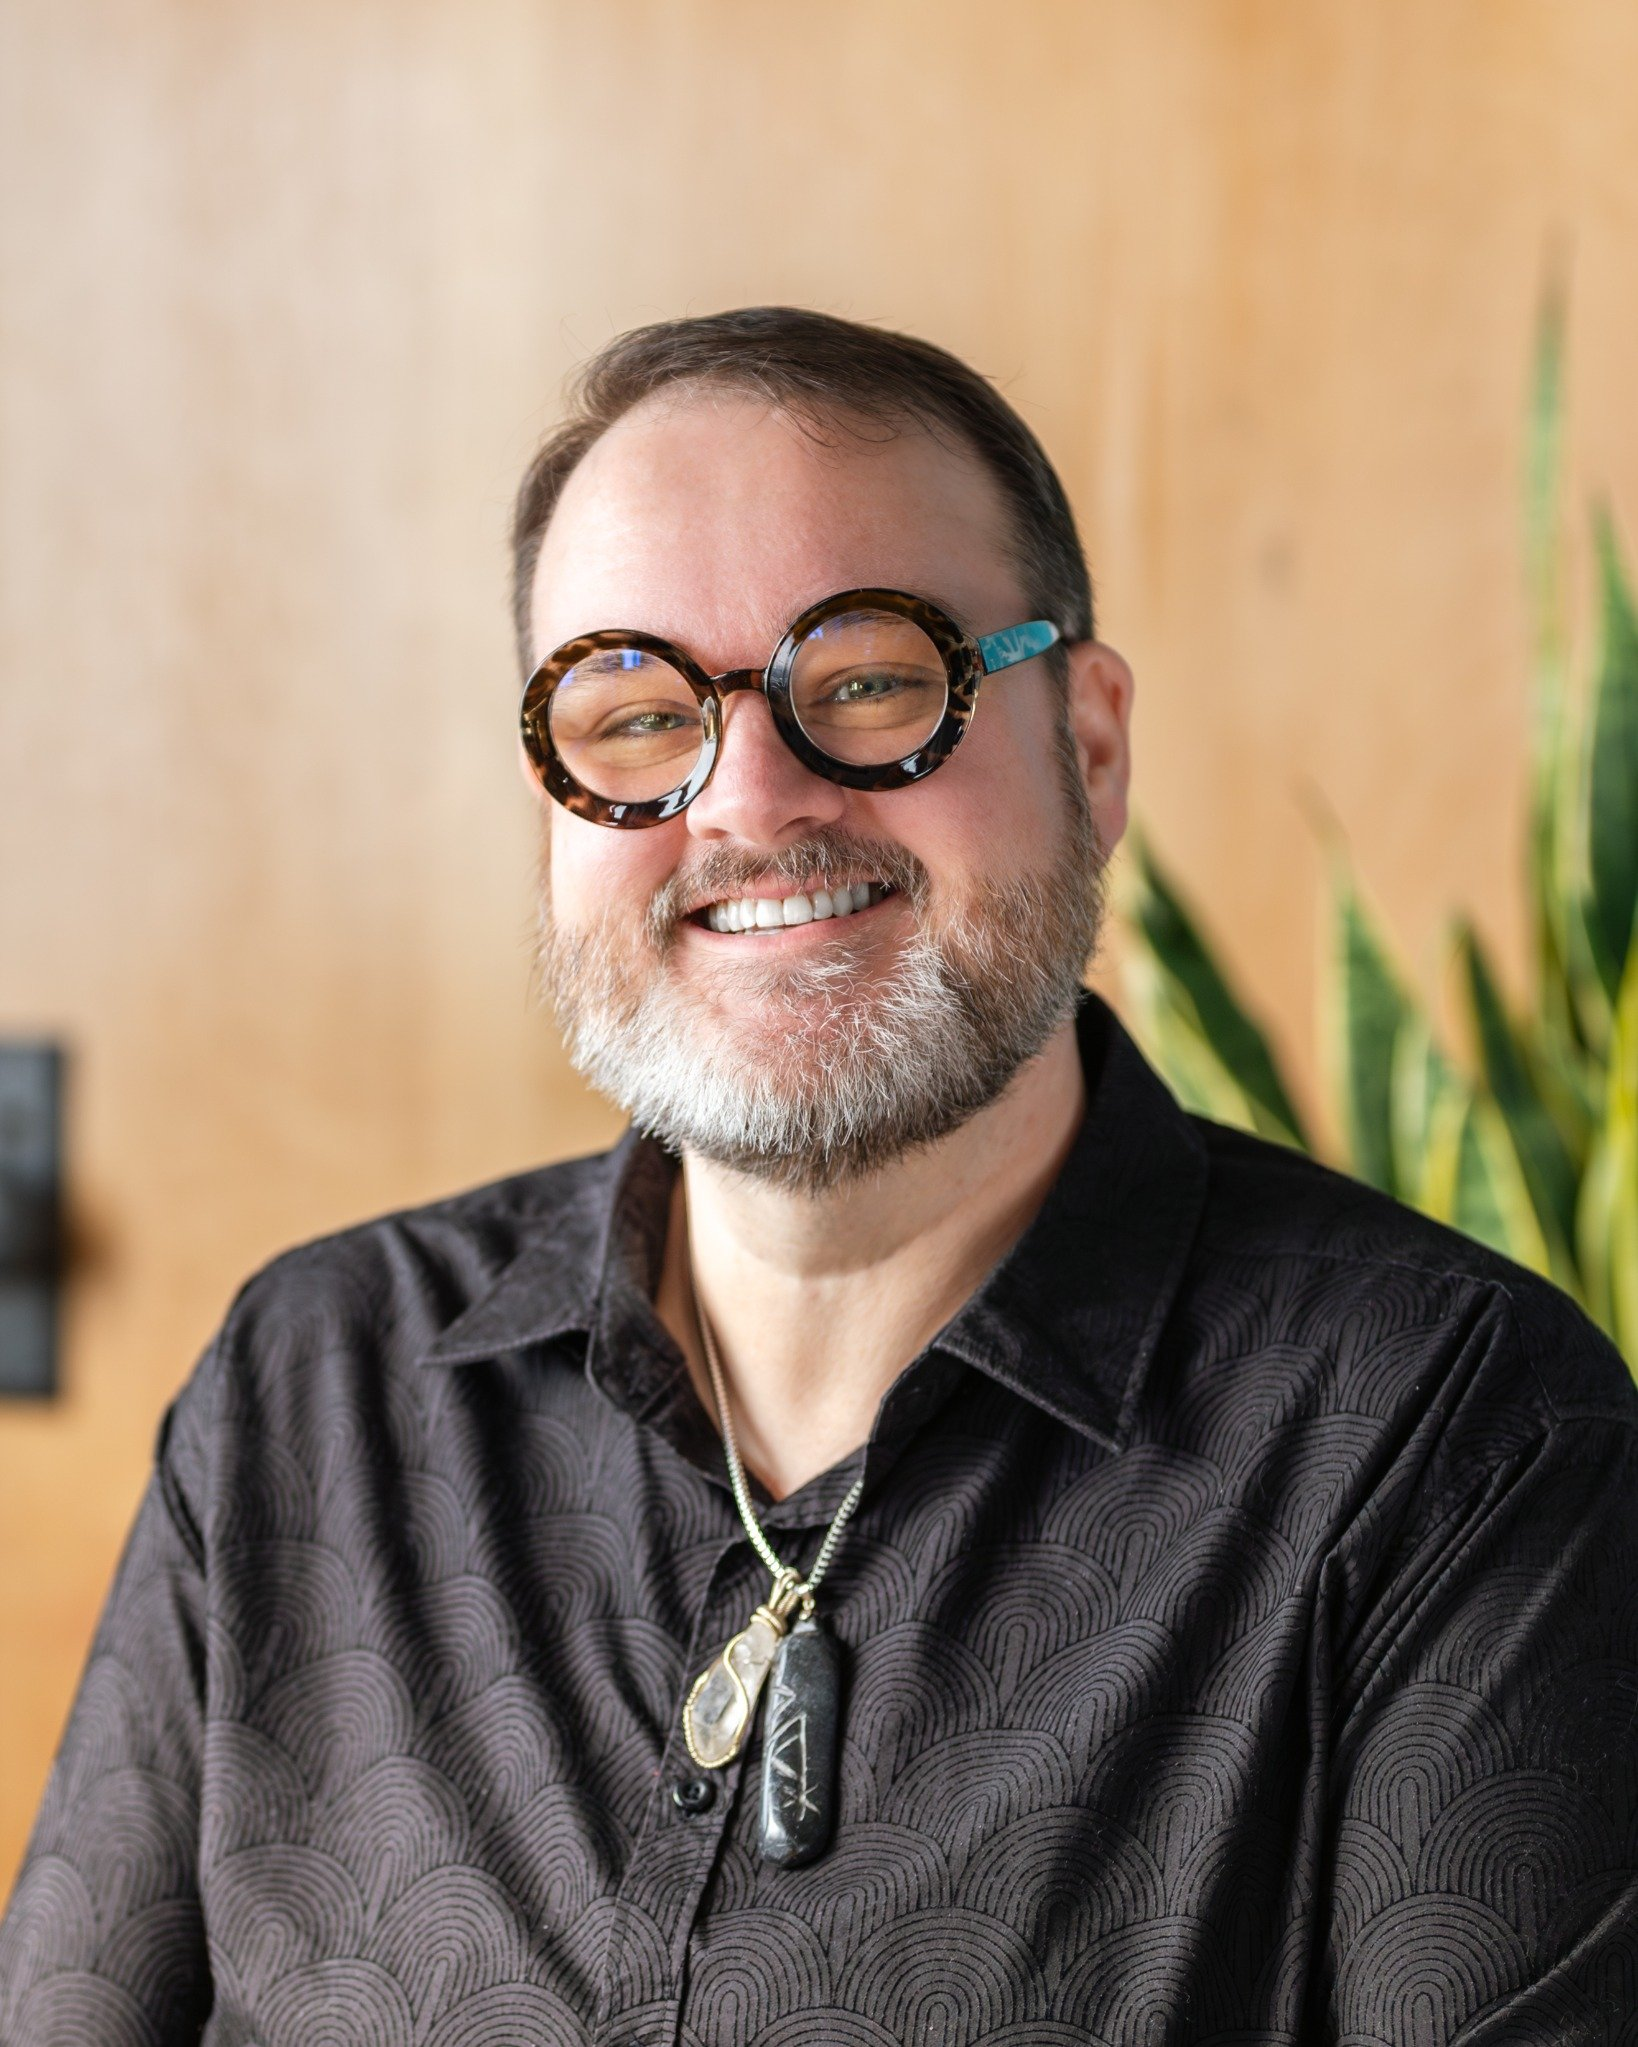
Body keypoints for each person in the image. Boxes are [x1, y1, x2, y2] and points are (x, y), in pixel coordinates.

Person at [3, 306, 1636, 2047]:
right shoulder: (310, 1385)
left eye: (868, 680)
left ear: (1087, 744)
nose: (753, 797)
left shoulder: (1450, 1443)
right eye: (633, 713)